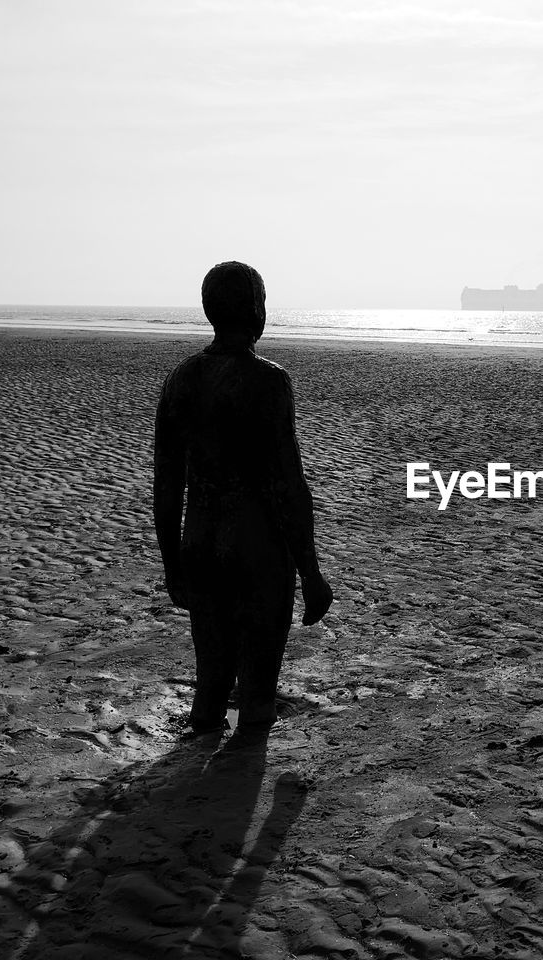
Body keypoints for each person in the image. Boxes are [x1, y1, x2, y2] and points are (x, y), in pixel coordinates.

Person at [154, 261, 333, 733]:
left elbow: (167, 488)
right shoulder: (268, 381)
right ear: (257, 309)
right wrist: (311, 571)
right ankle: (236, 785)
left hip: (201, 541)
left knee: (210, 681)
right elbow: (288, 484)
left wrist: (173, 562)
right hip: (258, 549)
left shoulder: (180, 380)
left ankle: (199, 758)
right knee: (257, 691)